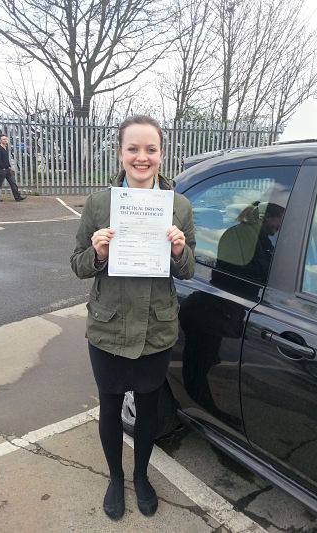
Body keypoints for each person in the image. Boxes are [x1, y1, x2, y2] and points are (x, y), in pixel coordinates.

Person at [70, 116, 195, 521]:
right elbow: (78, 265)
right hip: (108, 328)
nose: (142, 158)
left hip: (156, 328)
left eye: (151, 149)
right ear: (120, 153)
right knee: (110, 406)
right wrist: (99, 253)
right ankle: (114, 477)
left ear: (162, 154)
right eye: (133, 149)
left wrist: (178, 251)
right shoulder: (98, 205)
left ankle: (141, 475)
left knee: (149, 406)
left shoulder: (178, 206)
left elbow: (189, 269)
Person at [216, 201, 284, 283]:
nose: (282, 225)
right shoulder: (241, 234)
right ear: (268, 217)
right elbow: (231, 271)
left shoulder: (263, 241)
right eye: (281, 219)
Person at [0, 134, 26, 202]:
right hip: (1, 170)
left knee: (13, 183)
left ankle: (17, 197)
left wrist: (8, 166)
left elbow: (6, 159)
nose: (5, 140)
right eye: (3, 139)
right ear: (0, 140)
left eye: (5, 139)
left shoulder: (6, 148)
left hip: (7, 169)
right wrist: (3, 167)